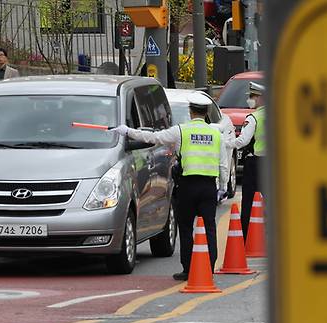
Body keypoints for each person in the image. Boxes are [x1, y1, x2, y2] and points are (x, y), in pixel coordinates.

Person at [113, 93, 228, 281]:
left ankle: (188, 268)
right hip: (208, 186)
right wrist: (222, 187)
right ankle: (210, 266)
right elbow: (223, 164)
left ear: (191, 112)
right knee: (209, 227)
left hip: (187, 186)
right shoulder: (217, 134)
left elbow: (153, 137)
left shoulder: (180, 131)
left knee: (185, 227)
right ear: (206, 113)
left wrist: (128, 132)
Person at [227, 81, 265, 238]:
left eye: (252, 96)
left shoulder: (254, 118)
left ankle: (248, 235)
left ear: (261, 98)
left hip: (257, 164)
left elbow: (243, 141)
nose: (250, 99)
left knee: (250, 200)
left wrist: (228, 144)